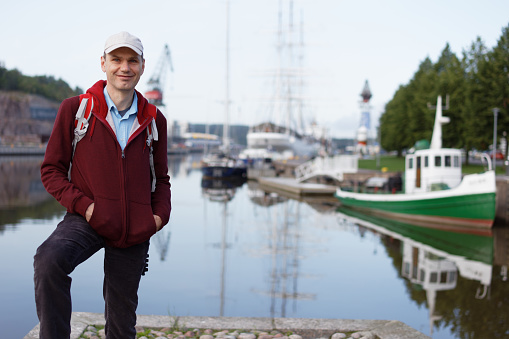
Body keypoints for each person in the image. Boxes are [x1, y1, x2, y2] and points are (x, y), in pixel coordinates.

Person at [34, 31, 172, 339]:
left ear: (142, 66)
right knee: (48, 261)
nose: (124, 67)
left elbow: (161, 179)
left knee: (122, 326)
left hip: (135, 227)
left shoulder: (154, 120)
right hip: (87, 218)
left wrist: (157, 218)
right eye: (116, 59)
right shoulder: (76, 110)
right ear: (103, 63)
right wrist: (87, 206)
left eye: (132, 60)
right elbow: (52, 170)